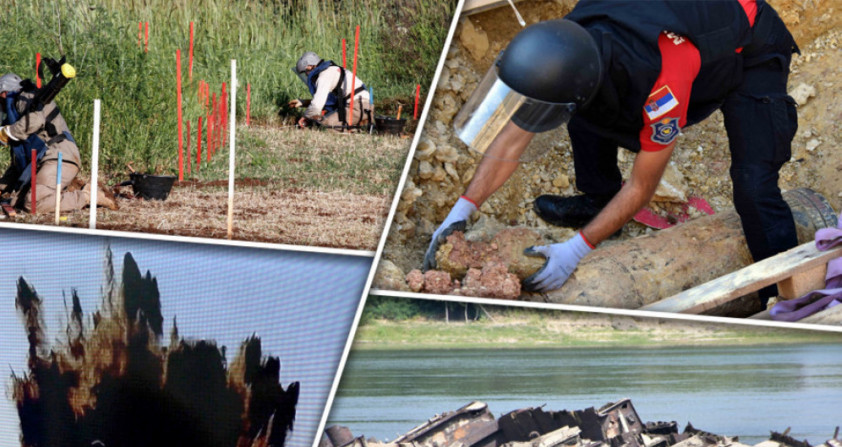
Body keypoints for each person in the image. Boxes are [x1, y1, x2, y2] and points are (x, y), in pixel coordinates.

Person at [425, 0, 798, 302]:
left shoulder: (664, 84)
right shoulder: (571, 43)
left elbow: (642, 186)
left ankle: (783, 289)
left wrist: (577, 250)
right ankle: (599, 200)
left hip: (748, 48)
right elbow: (512, 137)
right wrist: (462, 209)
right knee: (579, 110)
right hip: (670, 35)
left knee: (753, 183)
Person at [0, 73, 117, 212]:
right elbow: (18, 164)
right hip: (47, 158)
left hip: (59, 156)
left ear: (4, 93)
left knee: (33, 203)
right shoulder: (19, 115)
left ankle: (86, 196)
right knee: (17, 202)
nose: (2, 109)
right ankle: (61, 193)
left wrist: (10, 132)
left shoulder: (25, 98)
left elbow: (35, 120)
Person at [289, 51, 373, 129]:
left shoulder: (324, 76)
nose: (307, 75)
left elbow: (317, 105)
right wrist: (303, 102)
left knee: (324, 126)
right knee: (324, 121)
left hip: (356, 107)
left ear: (310, 66)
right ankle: (360, 124)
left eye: (305, 72)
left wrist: (305, 118)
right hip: (365, 106)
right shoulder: (330, 70)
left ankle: (356, 129)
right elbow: (329, 102)